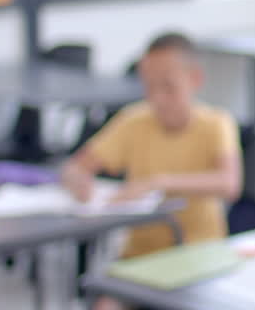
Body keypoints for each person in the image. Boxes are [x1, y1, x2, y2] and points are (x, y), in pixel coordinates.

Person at [61, 32, 241, 309]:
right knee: (105, 304)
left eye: (168, 88)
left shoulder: (216, 124)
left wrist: (158, 182)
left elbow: (229, 183)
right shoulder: (134, 120)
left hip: (200, 256)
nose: (158, 99)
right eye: (149, 87)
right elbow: (76, 166)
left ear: (194, 80)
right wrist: (78, 180)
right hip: (140, 258)